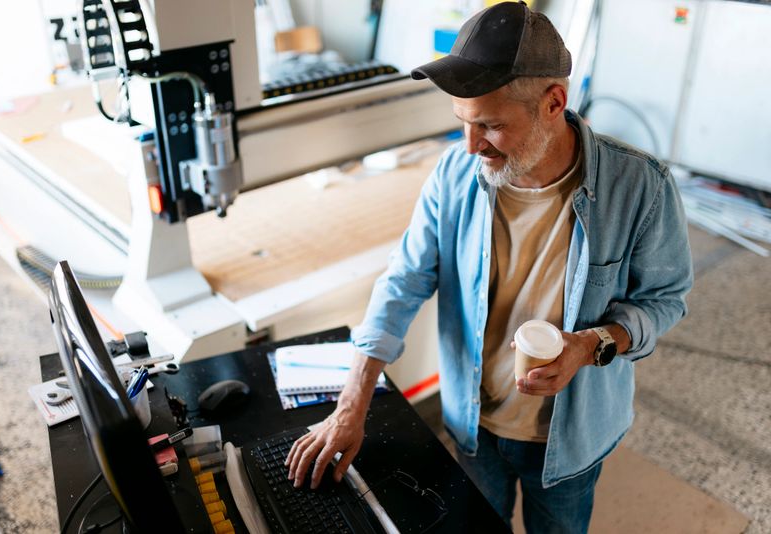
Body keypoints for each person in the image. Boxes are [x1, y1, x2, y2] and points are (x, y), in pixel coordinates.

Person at [285, 2, 694, 532]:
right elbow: (404, 280)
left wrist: (592, 344)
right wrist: (351, 403)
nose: (471, 145)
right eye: (463, 123)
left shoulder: (640, 188)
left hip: (569, 442)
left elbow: (664, 300)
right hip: (473, 428)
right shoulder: (457, 174)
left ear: (554, 103)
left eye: (492, 126)